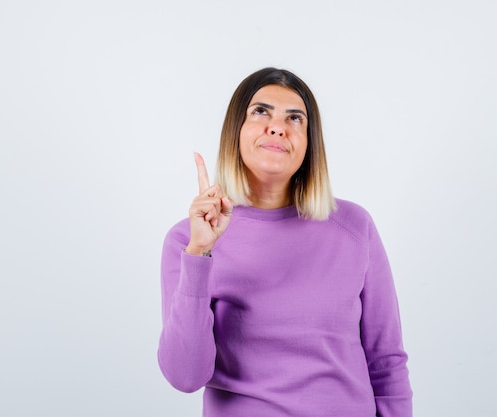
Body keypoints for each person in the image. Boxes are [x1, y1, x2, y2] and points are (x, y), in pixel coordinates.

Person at [157, 67, 412, 417]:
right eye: (260, 111)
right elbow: (185, 376)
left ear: (309, 144)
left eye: (295, 118)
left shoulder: (354, 228)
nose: (277, 126)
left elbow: (386, 361)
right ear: (236, 130)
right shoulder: (187, 240)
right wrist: (200, 254)